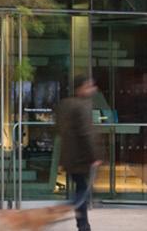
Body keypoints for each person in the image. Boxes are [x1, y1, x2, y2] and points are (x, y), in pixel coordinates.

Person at [56, 75, 101, 231]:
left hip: (69, 157)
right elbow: (86, 133)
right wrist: (94, 156)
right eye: (89, 86)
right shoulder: (83, 105)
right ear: (79, 88)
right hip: (81, 158)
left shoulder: (64, 104)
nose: (93, 89)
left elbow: (59, 129)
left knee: (81, 187)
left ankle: (83, 225)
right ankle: (67, 212)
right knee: (82, 192)